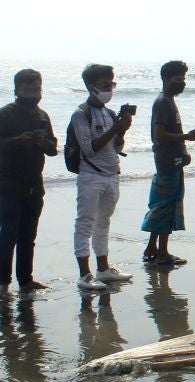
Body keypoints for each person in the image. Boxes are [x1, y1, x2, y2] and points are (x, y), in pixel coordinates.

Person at [71, 64, 133, 291]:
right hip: (90, 175)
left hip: (111, 174)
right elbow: (89, 149)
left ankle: (103, 269)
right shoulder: (81, 114)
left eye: (112, 84)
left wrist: (122, 130)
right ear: (92, 87)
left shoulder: (109, 113)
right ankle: (84, 274)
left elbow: (116, 147)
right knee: (85, 222)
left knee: (103, 222)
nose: (110, 89)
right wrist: (115, 128)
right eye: (106, 85)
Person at [141, 60, 195, 266]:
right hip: (167, 162)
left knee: (161, 205)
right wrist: (186, 137)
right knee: (166, 207)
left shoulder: (167, 100)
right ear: (166, 79)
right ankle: (162, 253)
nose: (183, 83)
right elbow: (159, 135)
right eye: (179, 79)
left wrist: (184, 143)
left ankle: (153, 248)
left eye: (184, 79)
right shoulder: (162, 102)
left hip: (170, 160)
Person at [0, 69, 57, 298]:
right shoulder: (5, 115)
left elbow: (53, 149)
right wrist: (17, 141)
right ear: (17, 91)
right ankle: (3, 284)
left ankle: (26, 280)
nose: (33, 94)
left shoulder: (42, 116)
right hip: (8, 184)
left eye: (37, 89)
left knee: (29, 235)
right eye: (28, 90)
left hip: (35, 183)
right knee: (8, 234)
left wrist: (44, 143)